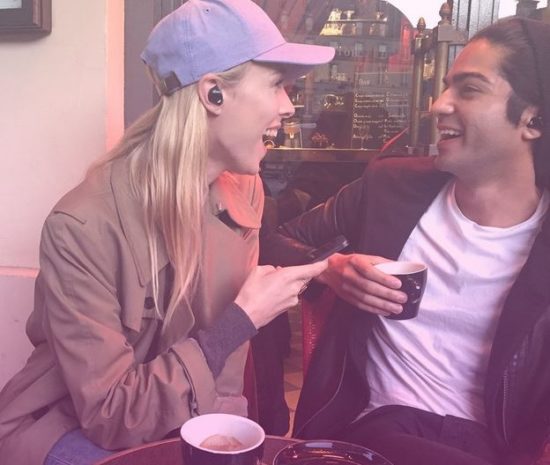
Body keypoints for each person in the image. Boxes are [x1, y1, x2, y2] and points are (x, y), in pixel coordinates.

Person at [0, 2, 334, 465]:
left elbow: (224, 384)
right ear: (213, 93)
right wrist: (241, 320)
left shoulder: (245, 192)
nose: (288, 106)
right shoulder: (80, 227)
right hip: (70, 428)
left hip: (181, 419)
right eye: (276, 83)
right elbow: (111, 416)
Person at [262, 17, 550, 465]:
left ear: (532, 119)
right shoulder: (390, 189)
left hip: (488, 448)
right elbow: (272, 244)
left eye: (469, 89)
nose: (438, 105)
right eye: (447, 86)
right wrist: (330, 269)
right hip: (367, 431)